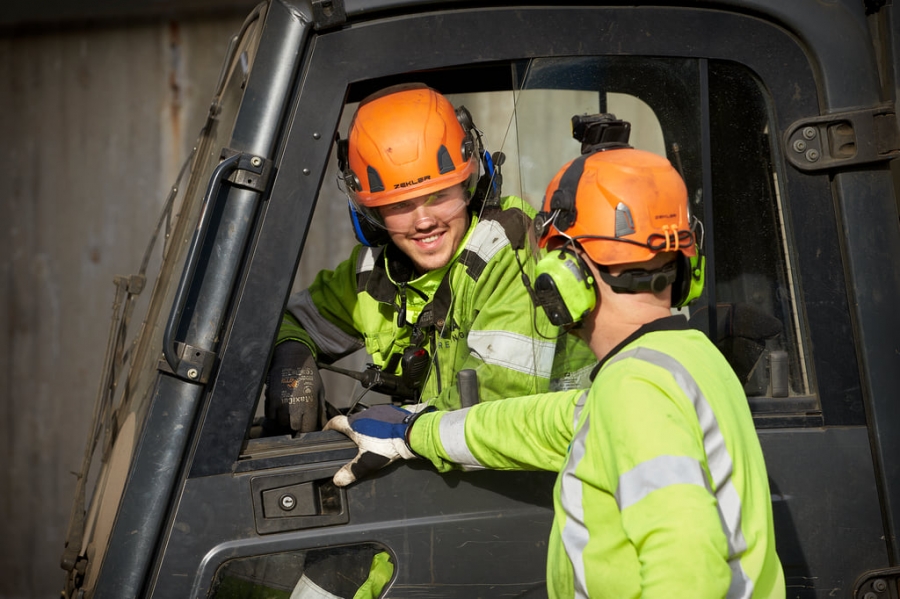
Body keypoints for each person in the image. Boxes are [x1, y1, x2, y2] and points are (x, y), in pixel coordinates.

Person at [325, 121, 786, 597]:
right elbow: (551, 422)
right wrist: (410, 431)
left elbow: (689, 570)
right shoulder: (684, 361)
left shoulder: (636, 391)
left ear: (563, 276)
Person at [263, 82, 594, 437]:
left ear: (470, 183)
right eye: (399, 205)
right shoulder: (374, 273)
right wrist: (291, 359)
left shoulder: (508, 251)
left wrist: (398, 431)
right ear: (369, 214)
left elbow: (498, 408)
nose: (423, 222)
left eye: (439, 196)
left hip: (542, 467)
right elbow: (287, 323)